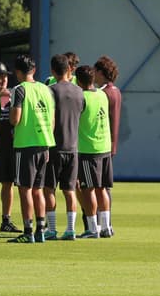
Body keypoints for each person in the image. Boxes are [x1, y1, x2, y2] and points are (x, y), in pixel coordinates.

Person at [8, 54, 55, 243]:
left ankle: (28, 231)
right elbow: (51, 120)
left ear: (18, 72)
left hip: (25, 145)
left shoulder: (19, 90)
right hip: (44, 144)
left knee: (25, 190)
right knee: (38, 189)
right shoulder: (46, 89)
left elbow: (15, 119)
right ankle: (41, 229)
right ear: (33, 70)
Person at [47, 53, 84, 240]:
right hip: (73, 147)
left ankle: (52, 229)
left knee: (49, 189)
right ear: (69, 69)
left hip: (54, 147)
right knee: (69, 190)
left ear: (53, 71)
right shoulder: (79, 91)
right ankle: (71, 229)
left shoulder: (51, 90)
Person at [75, 65, 112, 238]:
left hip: (88, 149)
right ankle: (106, 226)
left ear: (79, 81)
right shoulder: (102, 94)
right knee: (101, 188)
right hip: (104, 147)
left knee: (88, 189)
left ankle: (92, 228)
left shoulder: (81, 98)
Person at [95, 55, 122, 236]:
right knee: (106, 186)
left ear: (101, 72)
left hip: (100, 143)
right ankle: (107, 224)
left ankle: (100, 224)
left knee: (98, 186)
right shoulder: (117, 91)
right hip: (111, 144)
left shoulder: (103, 93)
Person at [0, 61, 18, 232]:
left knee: (8, 183)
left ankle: (6, 220)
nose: (3, 80)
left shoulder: (13, 95)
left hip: (9, 147)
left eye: (5, 76)